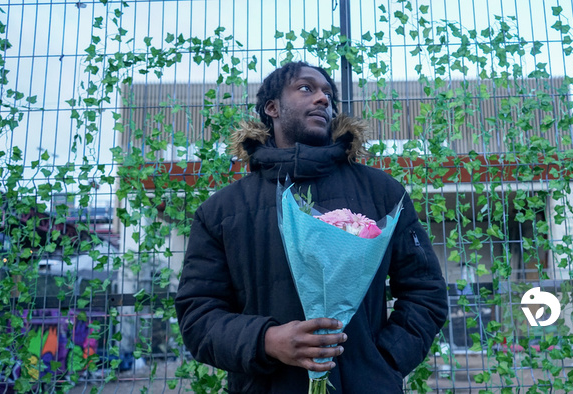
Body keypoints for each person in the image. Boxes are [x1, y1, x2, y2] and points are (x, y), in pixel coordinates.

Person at [175, 61, 448, 393]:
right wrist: (267, 341)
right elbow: (198, 315)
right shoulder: (222, 211)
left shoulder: (382, 193)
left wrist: (382, 362)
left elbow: (426, 292)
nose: (323, 99)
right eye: (306, 88)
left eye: (328, 94)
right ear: (272, 108)